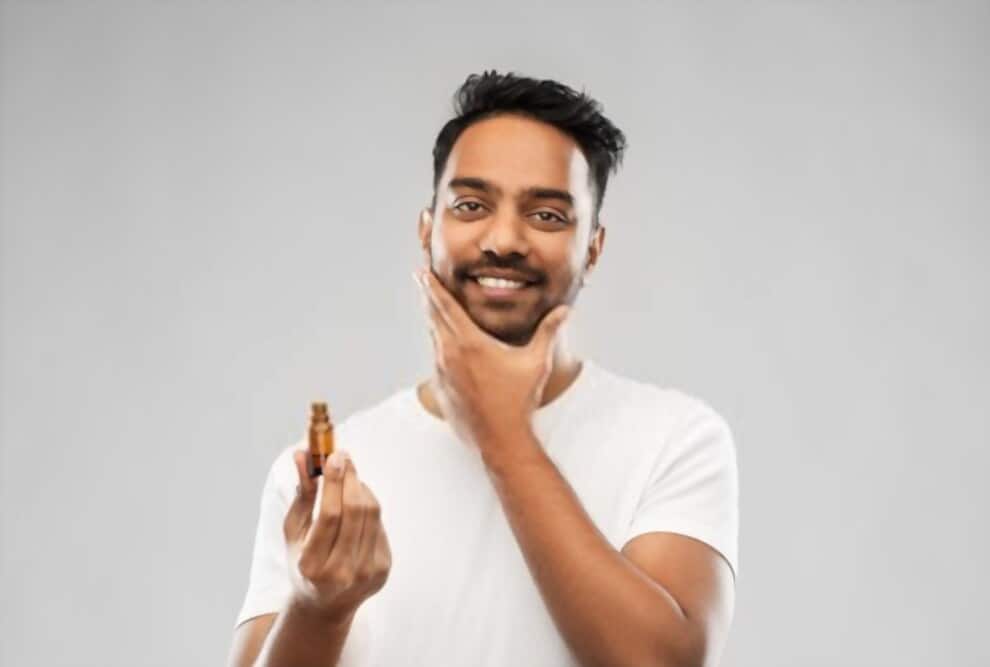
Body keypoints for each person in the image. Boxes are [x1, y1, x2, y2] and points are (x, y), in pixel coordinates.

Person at [227, 69, 739, 667]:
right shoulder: (328, 474)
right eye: (471, 205)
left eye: (547, 215)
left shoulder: (675, 439)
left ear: (592, 249)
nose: (503, 239)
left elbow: (664, 662)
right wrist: (318, 607)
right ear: (428, 229)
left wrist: (502, 432)